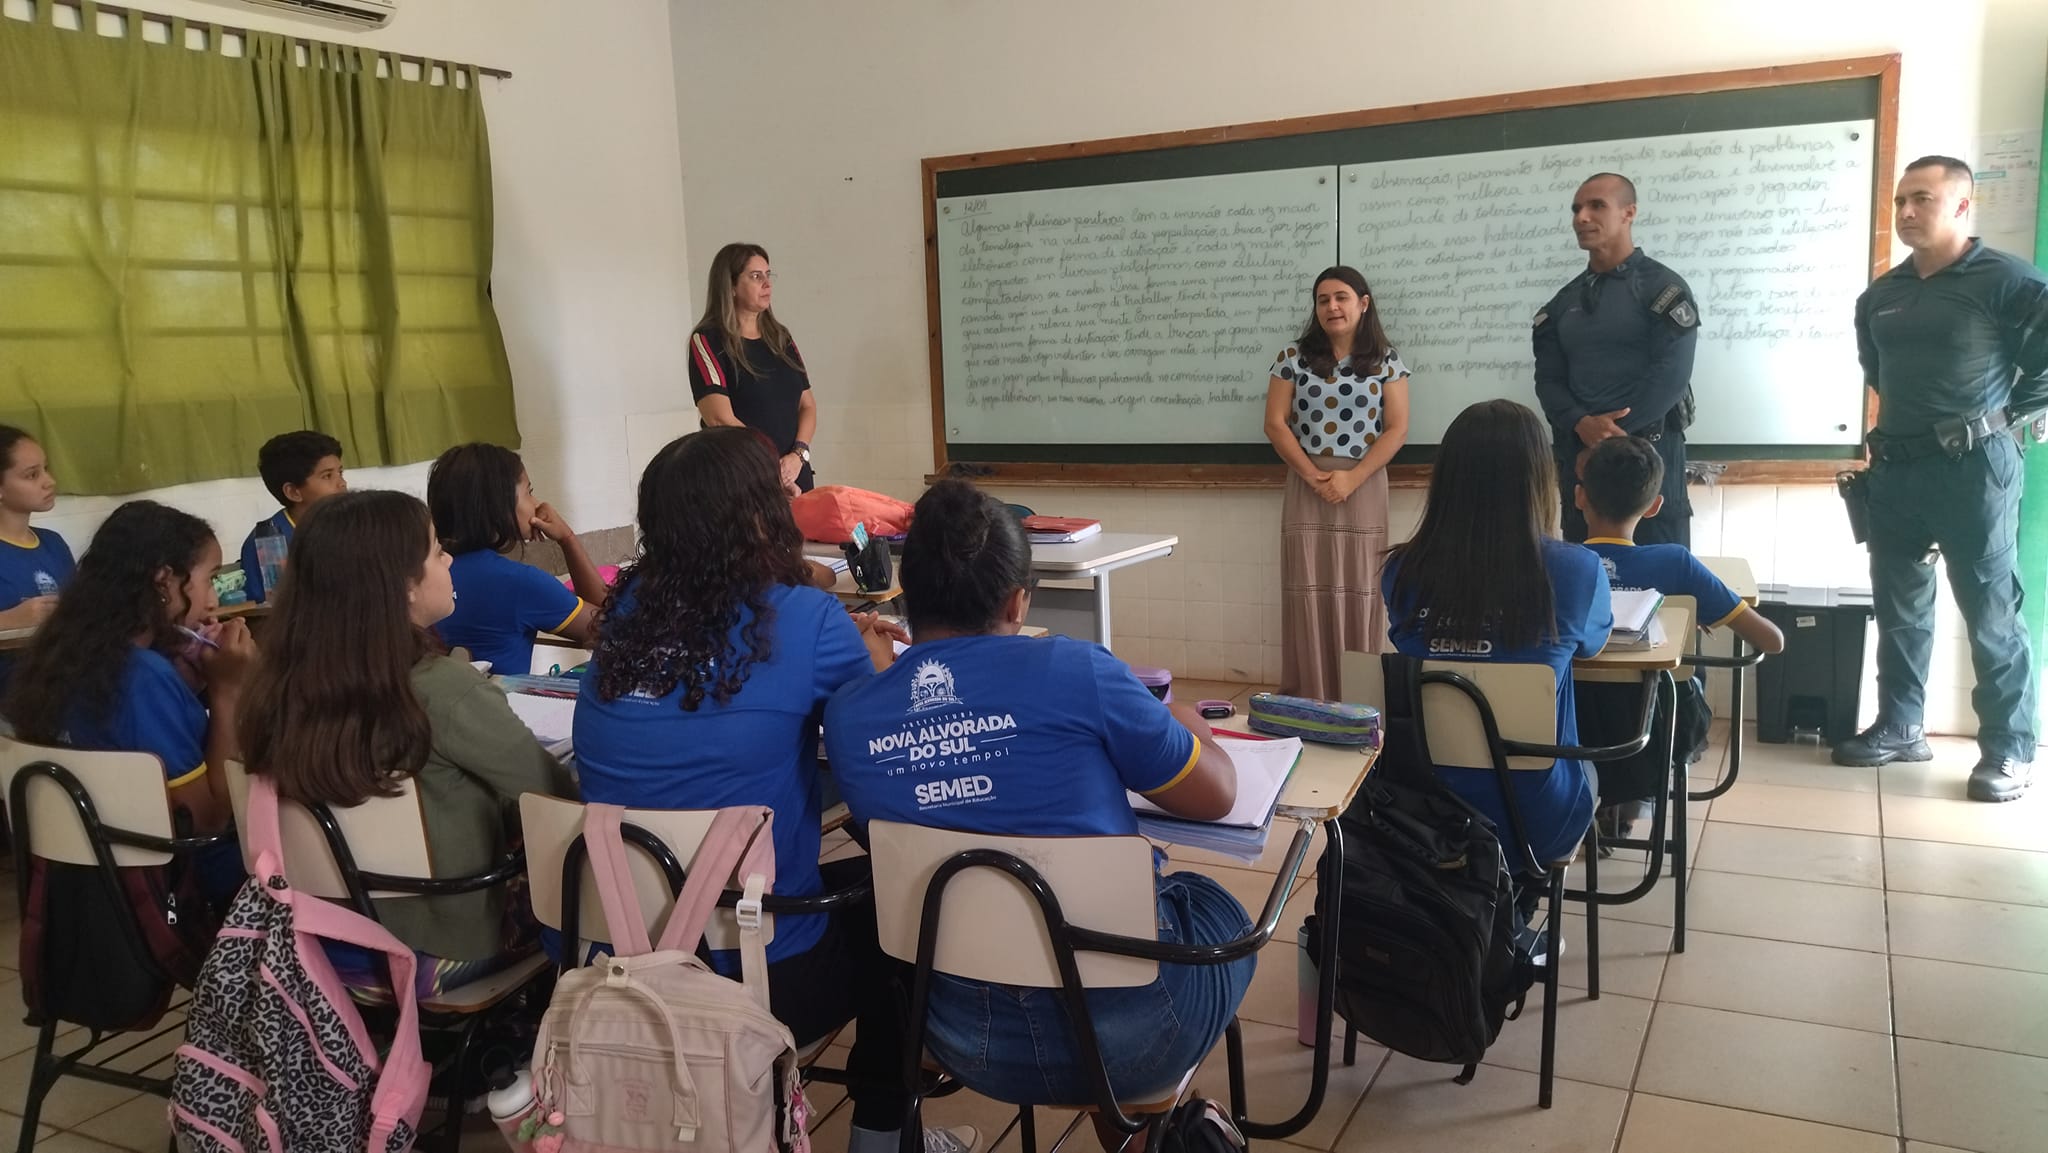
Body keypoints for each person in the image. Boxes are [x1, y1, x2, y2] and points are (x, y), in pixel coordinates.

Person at [572, 428, 963, 1153]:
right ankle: (883, 1140)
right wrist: (877, 674)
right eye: (778, 492)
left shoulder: (621, 621)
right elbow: (882, 768)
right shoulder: (810, 622)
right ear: (756, 518)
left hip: (616, 956)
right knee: (904, 913)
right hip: (757, 969)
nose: (793, 496)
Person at [826, 480, 1254, 1134]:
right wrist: (1187, 726)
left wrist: (881, 677)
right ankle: (1146, 1131)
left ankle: (1131, 1131)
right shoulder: (1081, 671)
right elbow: (1218, 794)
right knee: (1212, 906)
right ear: (1018, 598)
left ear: (905, 596)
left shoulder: (852, 715)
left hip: (966, 1039)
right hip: (1140, 1034)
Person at [238, 490, 577, 996]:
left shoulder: (272, 691)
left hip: (318, 940)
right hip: (440, 946)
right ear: (402, 587)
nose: (450, 562)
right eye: (439, 551)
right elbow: (552, 804)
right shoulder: (442, 689)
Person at [1833, 155, 2048, 803]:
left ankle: (2009, 750)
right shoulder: (1881, 295)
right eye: (1900, 200)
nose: (1905, 212)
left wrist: (2008, 420)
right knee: (1899, 608)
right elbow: (1878, 372)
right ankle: (1901, 725)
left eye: (1921, 199)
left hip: (1974, 471)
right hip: (1897, 468)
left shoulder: (2007, 280)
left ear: (1961, 205)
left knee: (1991, 614)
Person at [1382, 400, 1611, 869]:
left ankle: (1479, 914)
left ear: (1445, 480)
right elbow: (1593, 647)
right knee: (1585, 763)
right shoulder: (1577, 569)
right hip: (1534, 817)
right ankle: (1517, 913)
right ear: (1539, 481)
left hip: (1419, 810)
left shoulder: (1401, 570)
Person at [4, 501, 254, 900]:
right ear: (163, 581)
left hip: (95, 884)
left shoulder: (69, 656)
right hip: (183, 886)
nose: (212, 602)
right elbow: (207, 820)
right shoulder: (143, 678)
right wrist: (228, 693)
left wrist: (186, 687)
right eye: (210, 579)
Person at [1574, 436, 1785, 832]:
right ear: (1655, 506)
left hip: (1570, 729)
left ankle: (1592, 801)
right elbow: (1772, 641)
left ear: (1579, 497)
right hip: (1655, 733)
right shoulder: (1675, 563)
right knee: (1668, 688)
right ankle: (1633, 798)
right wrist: (1690, 616)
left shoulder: (1560, 563)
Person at [1263, 265, 1410, 697]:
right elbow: (1275, 424)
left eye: (1342, 297)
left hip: (1363, 485)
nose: (1332, 307)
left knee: (1360, 587)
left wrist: (1351, 479)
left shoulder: (1387, 360)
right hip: (1306, 484)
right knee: (1309, 588)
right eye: (1323, 299)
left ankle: (1359, 697)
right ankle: (1309, 695)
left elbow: (1397, 430)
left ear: (1363, 304)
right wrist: (1313, 476)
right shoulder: (1293, 358)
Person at [1533, 172, 1701, 548]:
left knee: (1663, 588)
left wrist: (1604, 439)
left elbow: (1670, 377)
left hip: (1649, 463)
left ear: (1629, 213)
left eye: (1596, 206)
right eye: (1576, 208)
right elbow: (1548, 381)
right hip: (1582, 467)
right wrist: (1581, 424)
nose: (1581, 217)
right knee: (1587, 584)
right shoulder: (1561, 304)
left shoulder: (1663, 290)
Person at [427, 443, 606, 675]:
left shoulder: (424, 574)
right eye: (529, 493)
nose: (537, 504)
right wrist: (567, 538)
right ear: (500, 506)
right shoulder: (519, 582)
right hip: (500, 706)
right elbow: (612, 628)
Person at [689, 243, 820, 493]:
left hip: (793, 476)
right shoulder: (707, 339)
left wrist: (798, 456)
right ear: (731, 286)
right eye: (755, 276)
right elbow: (719, 419)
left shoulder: (781, 337)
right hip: (742, 478)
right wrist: (770, 466)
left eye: (768, 275)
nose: (767, 284)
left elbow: (808, 405)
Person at [238, 431, 347, 604]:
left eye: (340, 473)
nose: (342, 483)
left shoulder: (349, 526)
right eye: (327, 476)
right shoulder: (267, 543)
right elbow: (267, 611)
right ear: (293, 492)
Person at [0, 426, 74, 633]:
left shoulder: (53, 543)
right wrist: (8, 620)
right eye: (32, 475)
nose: (50, 482)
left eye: (46, 469)